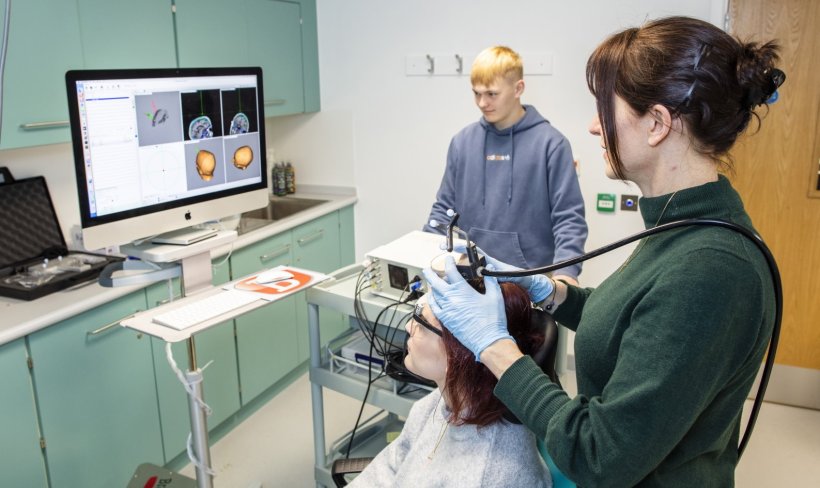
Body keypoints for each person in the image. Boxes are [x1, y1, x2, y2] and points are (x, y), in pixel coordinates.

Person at [422, 16, 782, 487]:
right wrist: (552, 293)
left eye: (603, 109)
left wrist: (494, 348)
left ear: (656, 124)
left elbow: (598, 455)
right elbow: (639, 324)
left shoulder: (712, 269)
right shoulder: (679, 226)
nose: (594, 127)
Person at [348, 282, 552, 487]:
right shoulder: (438, 403)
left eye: (421, 322)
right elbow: (390, 466)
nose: (408, 326)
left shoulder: (485, 476)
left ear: (455, 354)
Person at [423, 45, 587, 285]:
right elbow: (443, 209)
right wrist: (420, 253)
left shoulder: (551, 144)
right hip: (470, 275)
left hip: (531, 278)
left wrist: (566, 276)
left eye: (491, 94)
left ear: (518, 88)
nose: (482, 102)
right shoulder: (462, 142)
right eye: (476, 93)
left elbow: (569, 218)